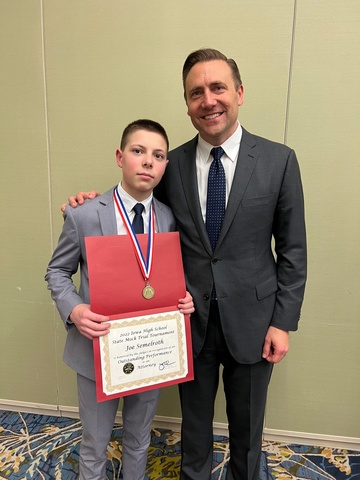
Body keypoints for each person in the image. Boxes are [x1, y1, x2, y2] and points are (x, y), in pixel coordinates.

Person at [63, 49, 307, 480]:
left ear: (240, 93)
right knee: (194, 431)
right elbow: (133, 212)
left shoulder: (278, 160)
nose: (208, 100)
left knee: (247, 431)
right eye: (196, 93)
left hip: (254, 321)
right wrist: (86, 202)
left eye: (218, 88)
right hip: (186, 322)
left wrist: (282, 323)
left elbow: (292, 250)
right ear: (188, 104)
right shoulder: (168, 165)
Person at [46, 119, 194, 480]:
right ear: (119, 157)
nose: (147, 161)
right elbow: (56, 272)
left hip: (148, 350)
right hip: (97, 348)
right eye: (138, 151)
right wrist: (75, 310)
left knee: (139, 437)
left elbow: (165, 277)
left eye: (158, 155)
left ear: (165, 166)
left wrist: (183, 299)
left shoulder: (169, 217)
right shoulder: (84, 214)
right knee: (95, 442)